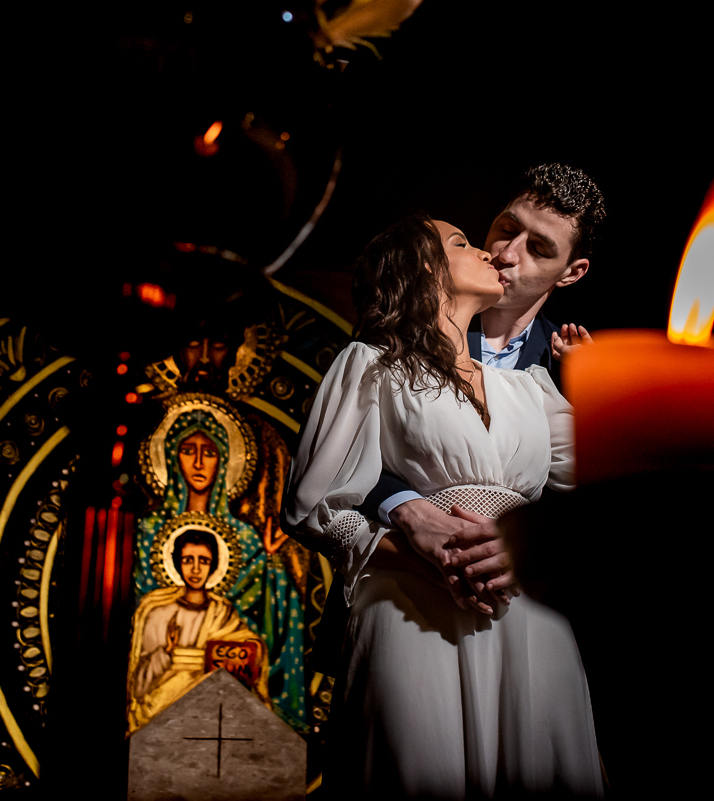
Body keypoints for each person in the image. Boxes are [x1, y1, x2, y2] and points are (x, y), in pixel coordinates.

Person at [283, 215, 603, 797]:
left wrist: (595, 389)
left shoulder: (529, 386)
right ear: (423, 271)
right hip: (411, 606)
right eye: (461, 243)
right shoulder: (372, 365)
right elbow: (315, 503)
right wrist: (414, 550)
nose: (488, 250)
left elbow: (606, 484)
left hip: (526, 615)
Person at [362, 163, 606, 612]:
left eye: (538, 248)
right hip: (399, 596)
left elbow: (600, 516)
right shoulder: (404, 324)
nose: (506, 253)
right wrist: (406, 508)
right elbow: (337, 450)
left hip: (521, 608)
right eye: (506, 229)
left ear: (571, 273)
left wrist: (528, 550)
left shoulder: (572, 373)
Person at [134, 407, 308, 730]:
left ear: (224, 460)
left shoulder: (246, 538)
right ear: (172, 458)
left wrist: (271, 566)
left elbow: (265, 622)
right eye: (188, 451)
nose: (199, 463)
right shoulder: (145, 531)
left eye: (209, 452)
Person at [126, 528, 270, 735]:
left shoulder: (222, 613)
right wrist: (165, 653)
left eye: (203, 561)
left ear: (213, 565)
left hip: (212, 712)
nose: (195, 569)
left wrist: (253, 650)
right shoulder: (157, 612)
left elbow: (250, 653)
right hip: (162, 711)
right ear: (177, 563)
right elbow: (139, 685)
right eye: (187, 560)